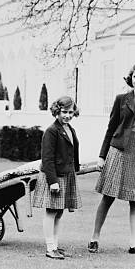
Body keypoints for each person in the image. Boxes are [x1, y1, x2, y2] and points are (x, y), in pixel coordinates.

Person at [88, 62, 135, 256]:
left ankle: (134, 244)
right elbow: (111, 129)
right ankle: (95, 238)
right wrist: (102, 156)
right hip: (118, 150)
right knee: (108, 196)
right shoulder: (121, 99)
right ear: (131, 79)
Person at [32, 95, 82, 260]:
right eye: (64, 112)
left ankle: (55, 245)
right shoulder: (51, 131)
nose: (67, 115)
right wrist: (53, 182)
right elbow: (47, 159)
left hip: (67, 175)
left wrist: (75, 169)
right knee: (51, 211)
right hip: (54, 176)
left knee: (59, 212)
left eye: (70, 112)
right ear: (57, 111)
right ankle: (49, 247)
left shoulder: (70, 129)